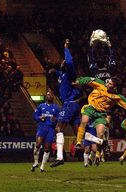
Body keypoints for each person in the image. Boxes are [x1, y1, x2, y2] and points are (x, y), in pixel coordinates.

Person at [73, 76, 126, 162]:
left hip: (101, 114)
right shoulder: (101, 84)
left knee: (100, 134)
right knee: (84, 121)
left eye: (110, 83)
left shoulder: (118, 97)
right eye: (108, 82)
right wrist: (78, 81)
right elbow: (89, 80)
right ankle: (78, 142)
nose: (107, 84)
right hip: (90, 108)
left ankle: (97, 154)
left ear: (115, 87)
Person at [49, 39, 82, 168]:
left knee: (58, 128)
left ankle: (60, 157)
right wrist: (53, 71)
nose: (63, 62)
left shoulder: (69, 73)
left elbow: (68, 61)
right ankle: (100, 142)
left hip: (68, 104)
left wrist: (66, 48)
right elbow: (59, 72)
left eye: (64, 62)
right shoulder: (62, 74)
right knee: (78, 132)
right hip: (72, 104)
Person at [31, 90, 60, 172]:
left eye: (50, 95)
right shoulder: (41, 106)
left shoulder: (56, 108)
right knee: (38, 144)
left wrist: (55, 119)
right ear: (46, 97)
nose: (49, 96)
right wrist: (39, 118)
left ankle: (42, 167)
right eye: (48, 95)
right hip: (42, 127)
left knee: (47, 147)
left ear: (53, 97)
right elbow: (35, 116)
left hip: (51, 129)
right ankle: (36, 162)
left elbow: (59, 119)